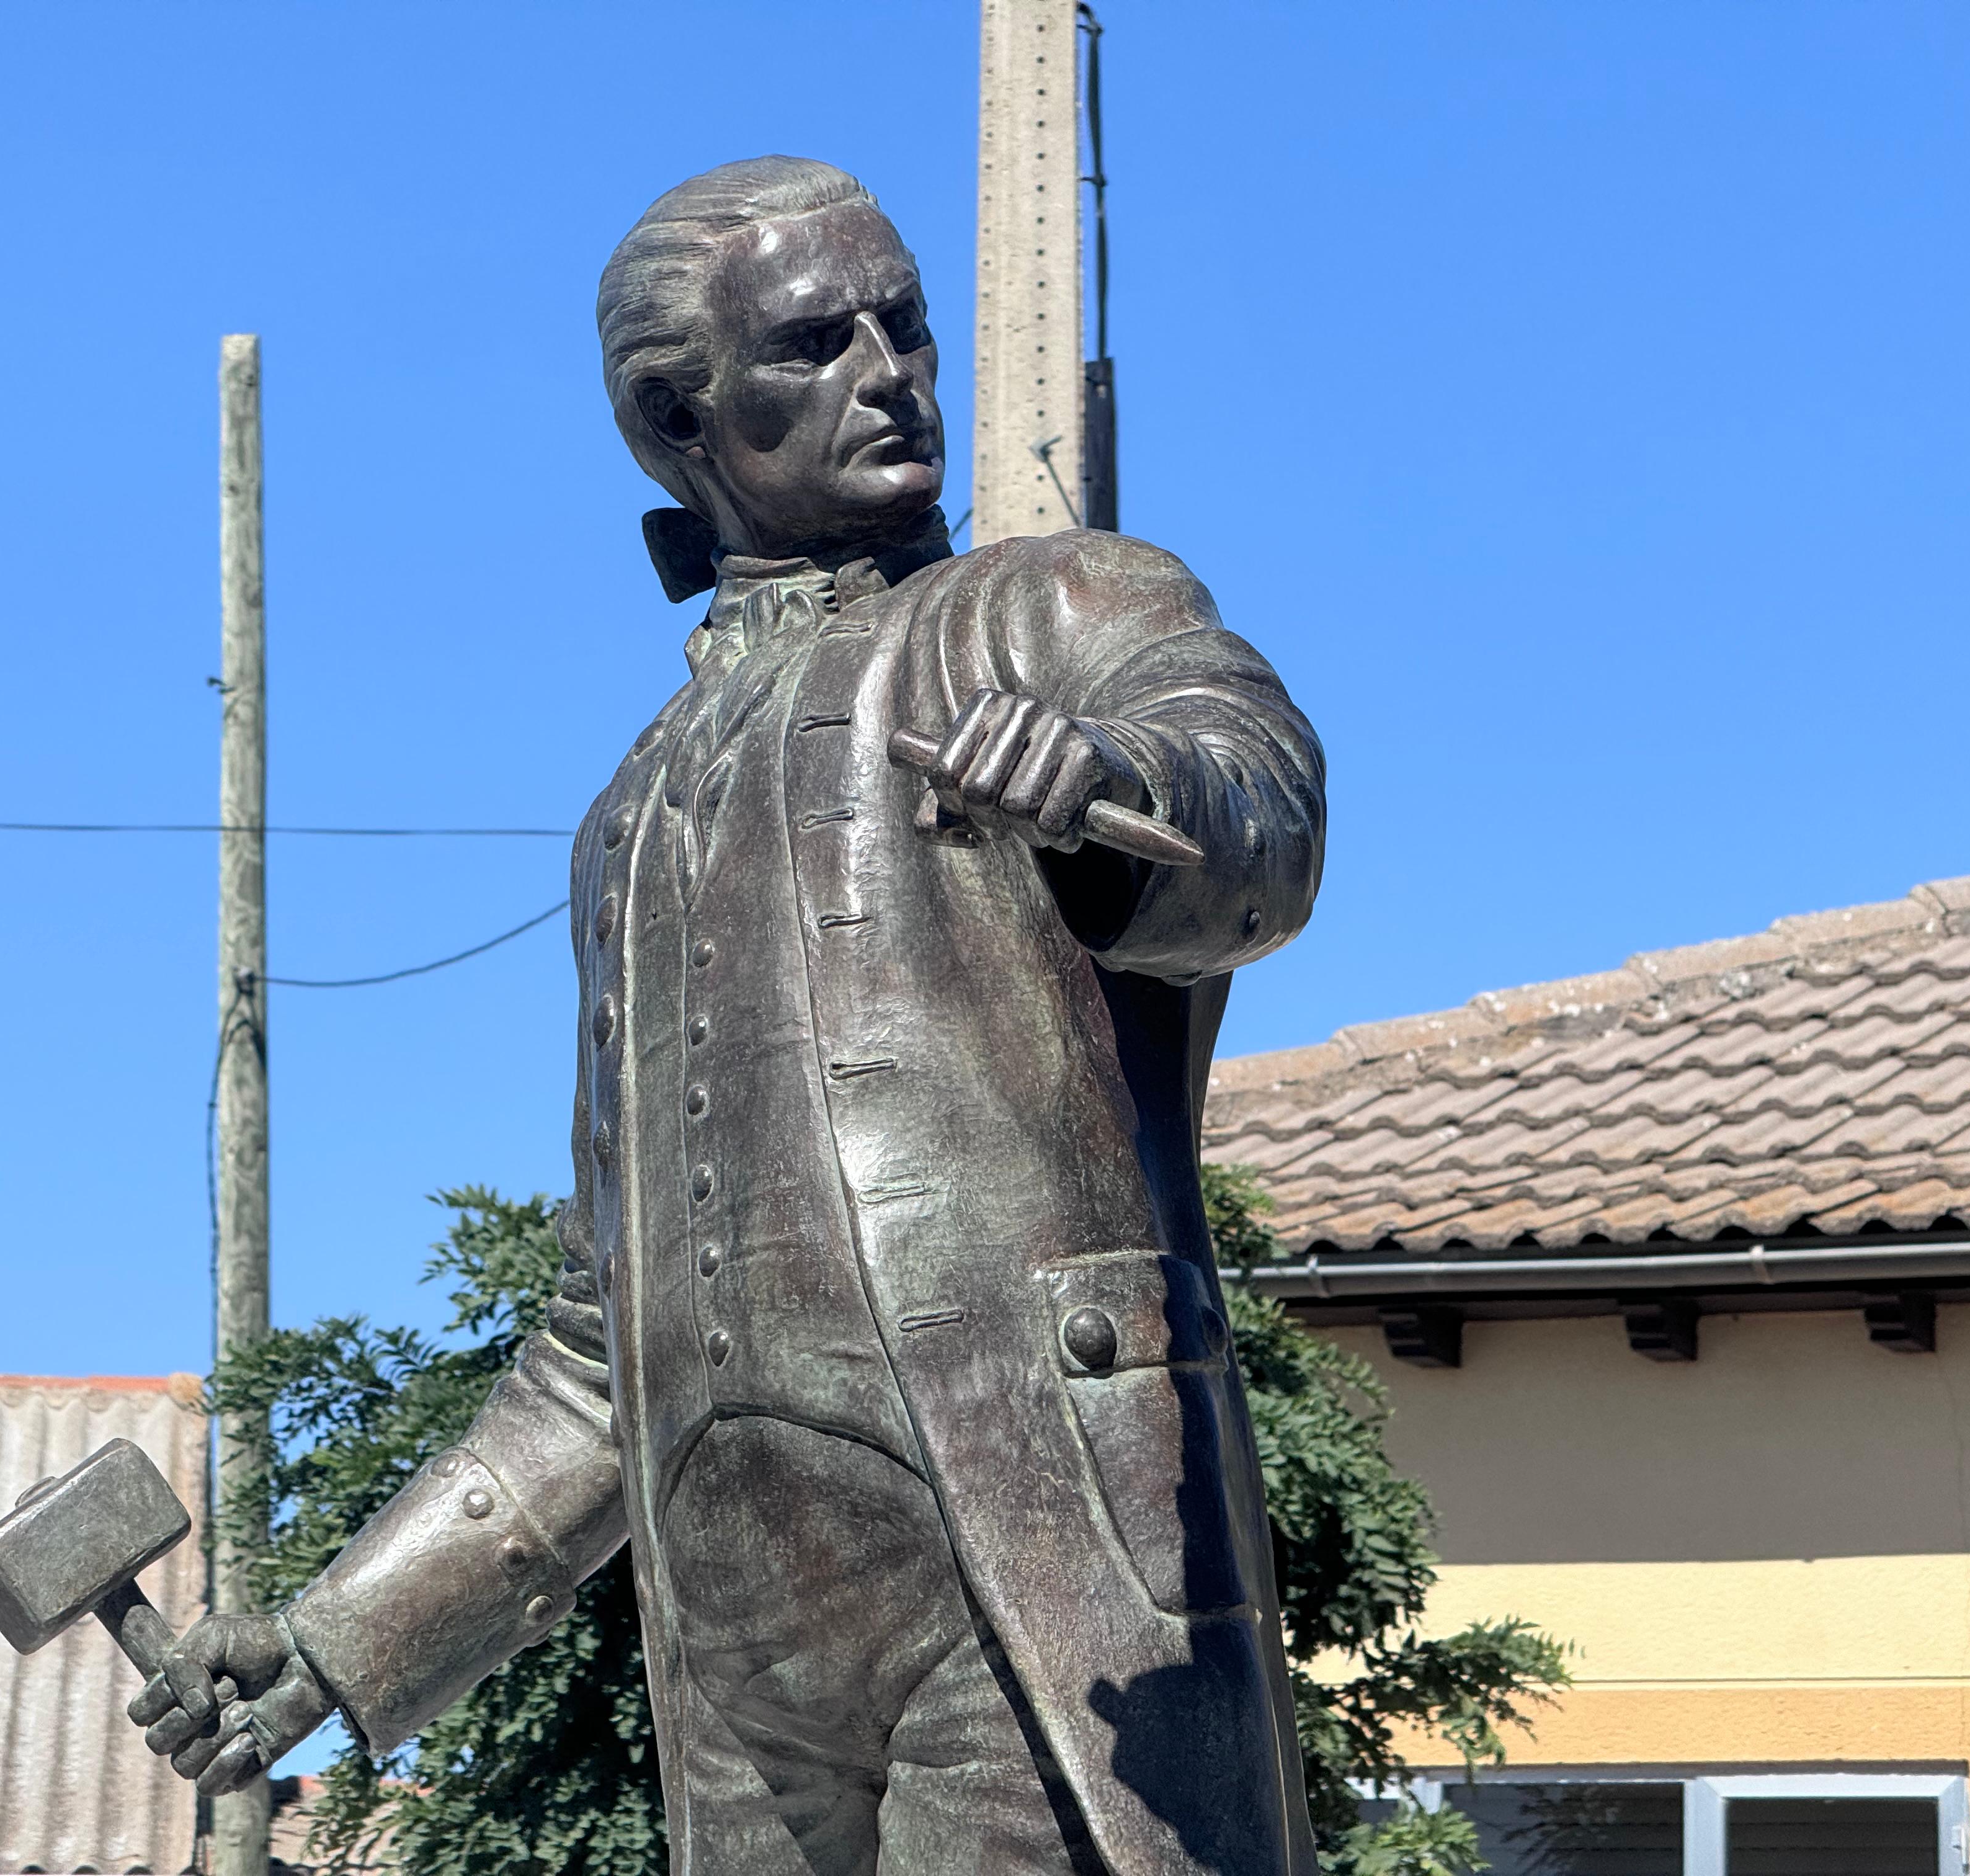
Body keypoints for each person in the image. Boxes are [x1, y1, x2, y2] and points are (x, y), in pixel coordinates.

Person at [129, 156, 1326, 1876]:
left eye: (902, 326)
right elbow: (599, 1352)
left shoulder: (1058, 610)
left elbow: (1263, 810)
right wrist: (336, 1640)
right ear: (680, 420)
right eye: (814, 343)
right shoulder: (632, 819)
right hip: (744, 1634)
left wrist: (1119, 782)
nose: (890, 374)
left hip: (1032, 1556)